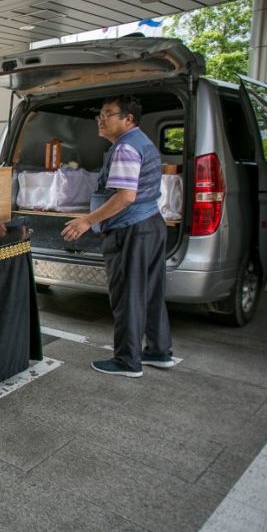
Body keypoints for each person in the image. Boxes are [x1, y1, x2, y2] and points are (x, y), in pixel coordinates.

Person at [61, 95, 175, 377]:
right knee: (150, 292)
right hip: (150, 224)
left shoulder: (125, 148)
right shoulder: (141, 142)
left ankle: (127, 361)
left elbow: (125, 197)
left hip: (131, 229)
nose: (101, 119)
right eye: (100, 114)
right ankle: (158, 352)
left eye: (109, 114)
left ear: (128, 119)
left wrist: (88, 220)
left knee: (128, 296)